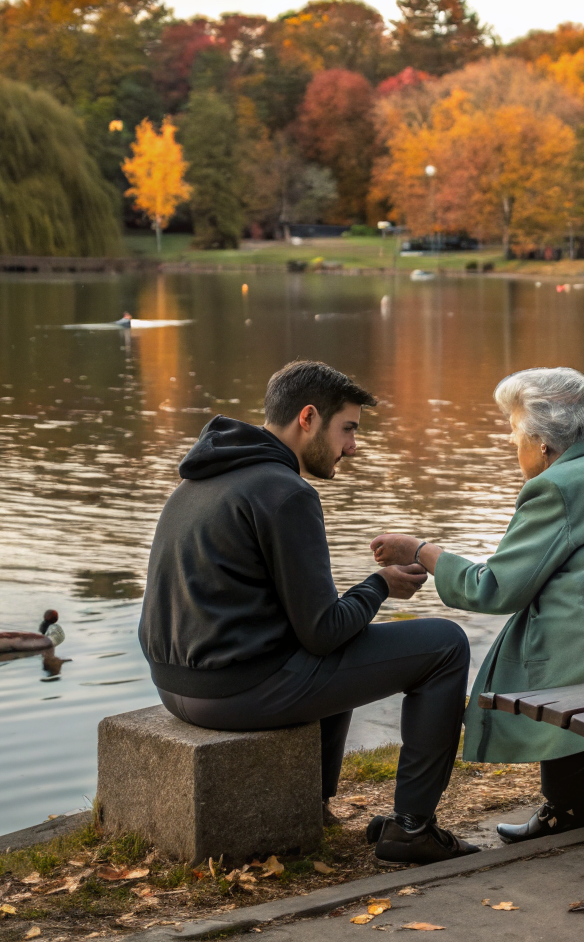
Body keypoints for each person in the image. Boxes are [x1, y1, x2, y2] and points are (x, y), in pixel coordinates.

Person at [139, 360, 477, 865]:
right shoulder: (286, 492)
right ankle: (412, 828)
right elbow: (323, 632)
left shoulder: (201, 480)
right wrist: (380, 585)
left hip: (176, 688)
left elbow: (302, 619)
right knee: (445, 645)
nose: (352, 448)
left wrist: (357, 601)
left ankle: (310, 805)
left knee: (346, 637)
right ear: (308, 417)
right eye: (348, 429)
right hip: (239, 693)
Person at [370, 367, 584, 843]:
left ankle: (563, 809)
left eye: (514, 430)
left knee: (549, 650)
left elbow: (494, 589)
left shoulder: (557, 486)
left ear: (543, 442)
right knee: (570, 622)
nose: (511, 443)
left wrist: (422, 551)